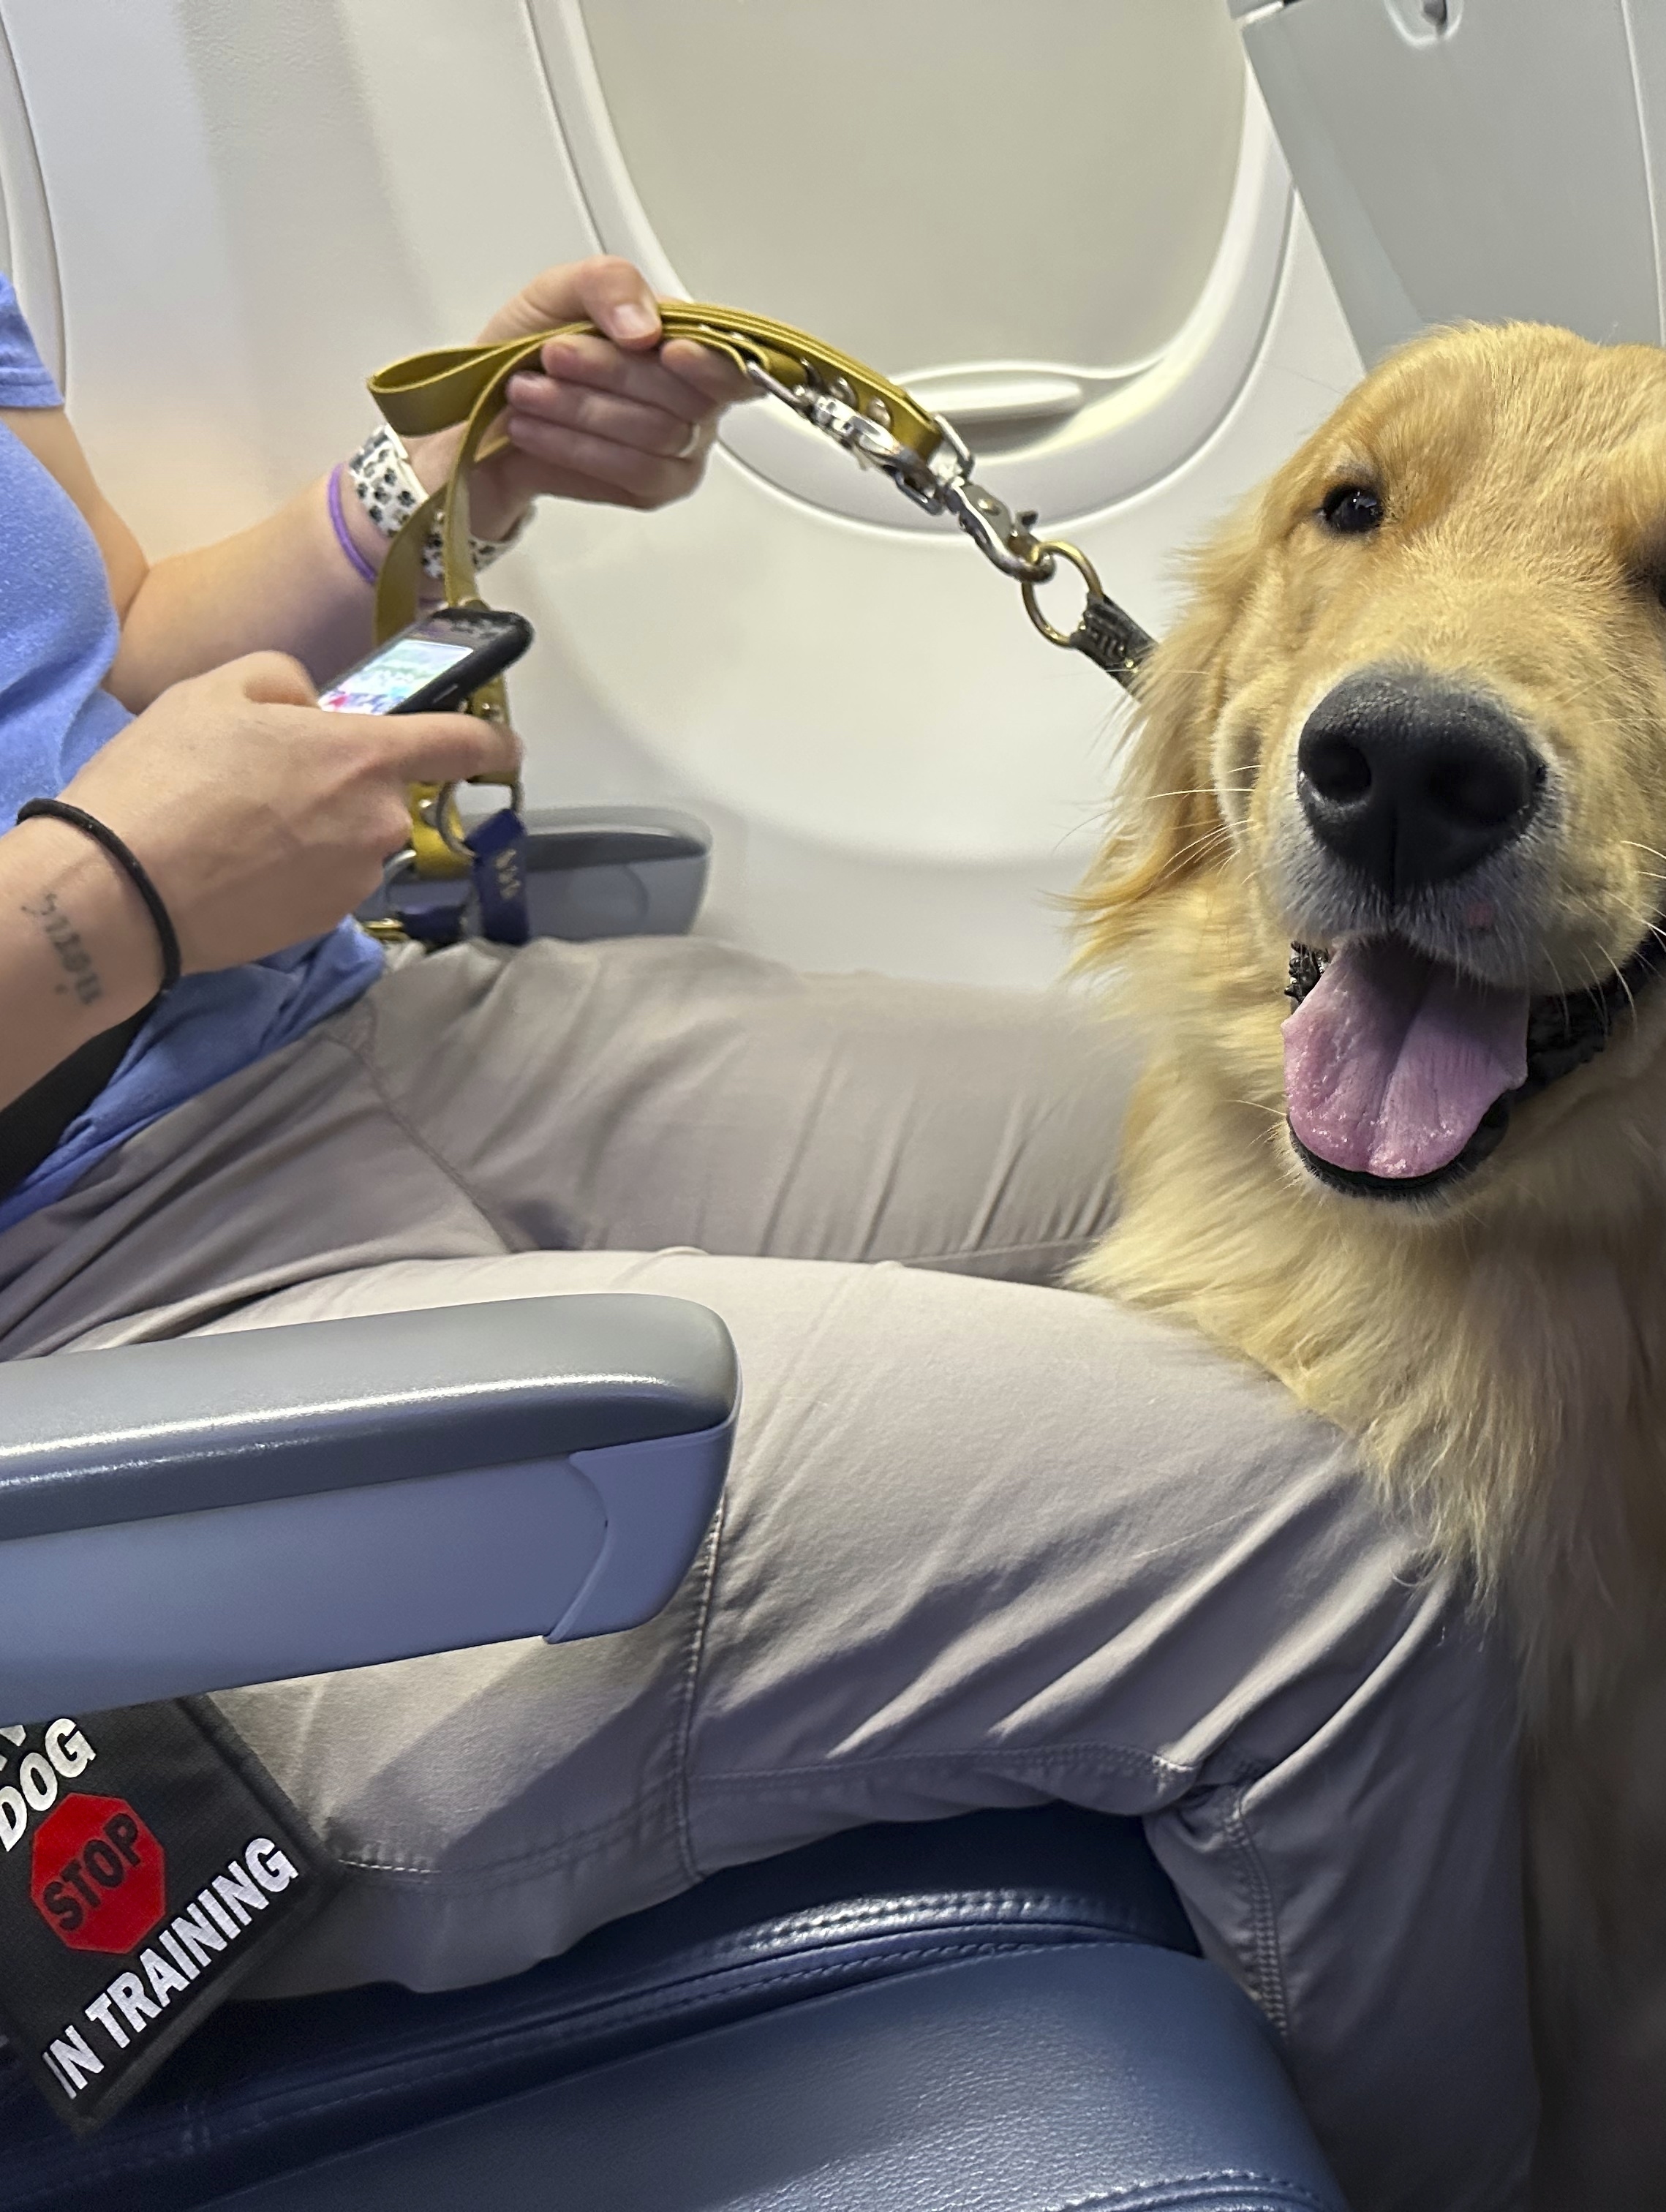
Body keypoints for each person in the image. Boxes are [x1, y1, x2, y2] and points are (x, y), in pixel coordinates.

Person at [0, 255, 1529, 2212]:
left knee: (1339, 1175)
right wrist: (103, 902)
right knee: (1332, 1566)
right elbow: (99, 843)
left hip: (337, 1037)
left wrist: (434, 473)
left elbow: (105, 649)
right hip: (92, 1334)